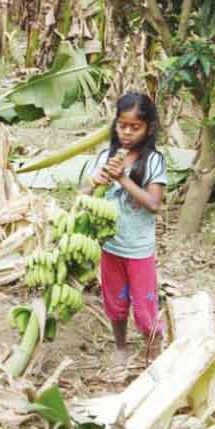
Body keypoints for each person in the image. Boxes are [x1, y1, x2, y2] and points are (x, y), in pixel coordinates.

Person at [81, 92, 167, 364]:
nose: (127, 133)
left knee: (144, 309)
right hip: (111, 246)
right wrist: (95, 182)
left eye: (135, 127)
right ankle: (120, 348)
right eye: (122, 125)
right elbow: (84, 194)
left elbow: (153, 203)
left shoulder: (153, 161)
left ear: (148, 128)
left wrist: (123, 179)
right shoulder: (105, 156)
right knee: (116, 305)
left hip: (139, 250)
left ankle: (153, 353)